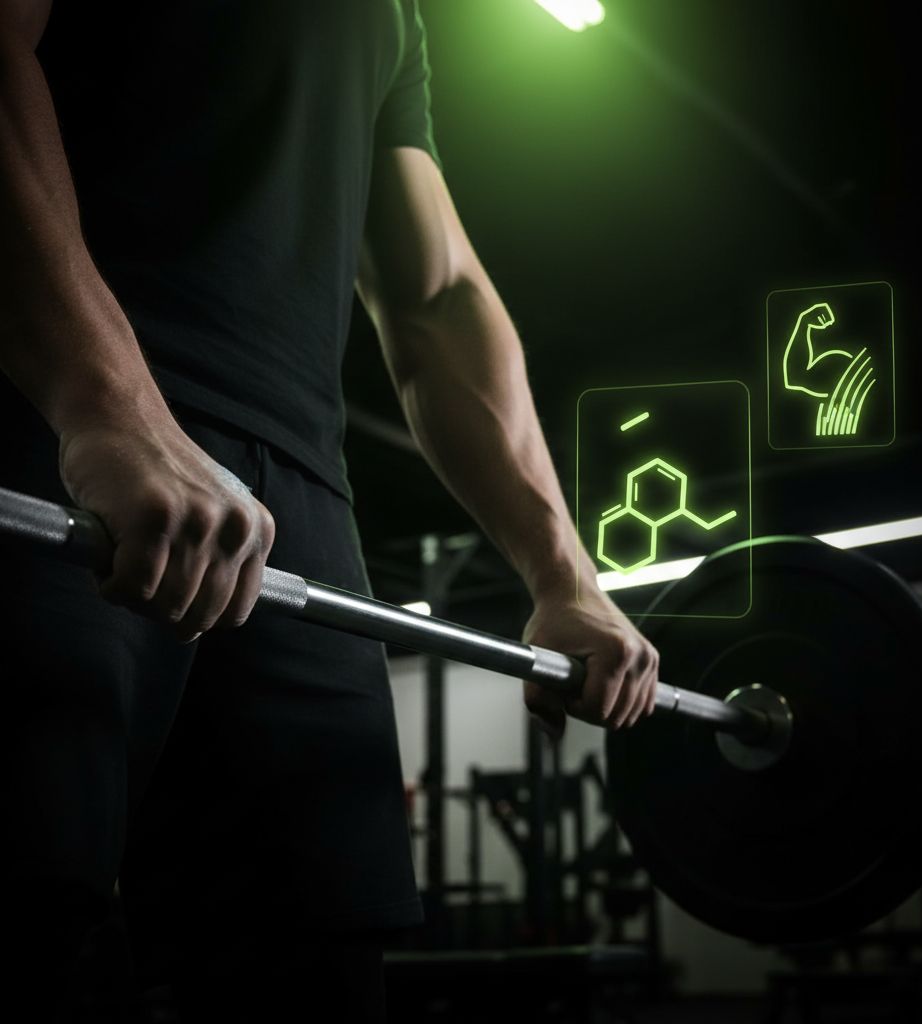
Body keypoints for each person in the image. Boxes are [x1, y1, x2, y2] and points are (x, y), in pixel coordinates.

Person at [0, 1, 659, 1020]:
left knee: (318, 965)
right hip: (55, 425)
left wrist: (566, 577)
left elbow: (436, 297)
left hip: (298, 507)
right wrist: (106, 405)